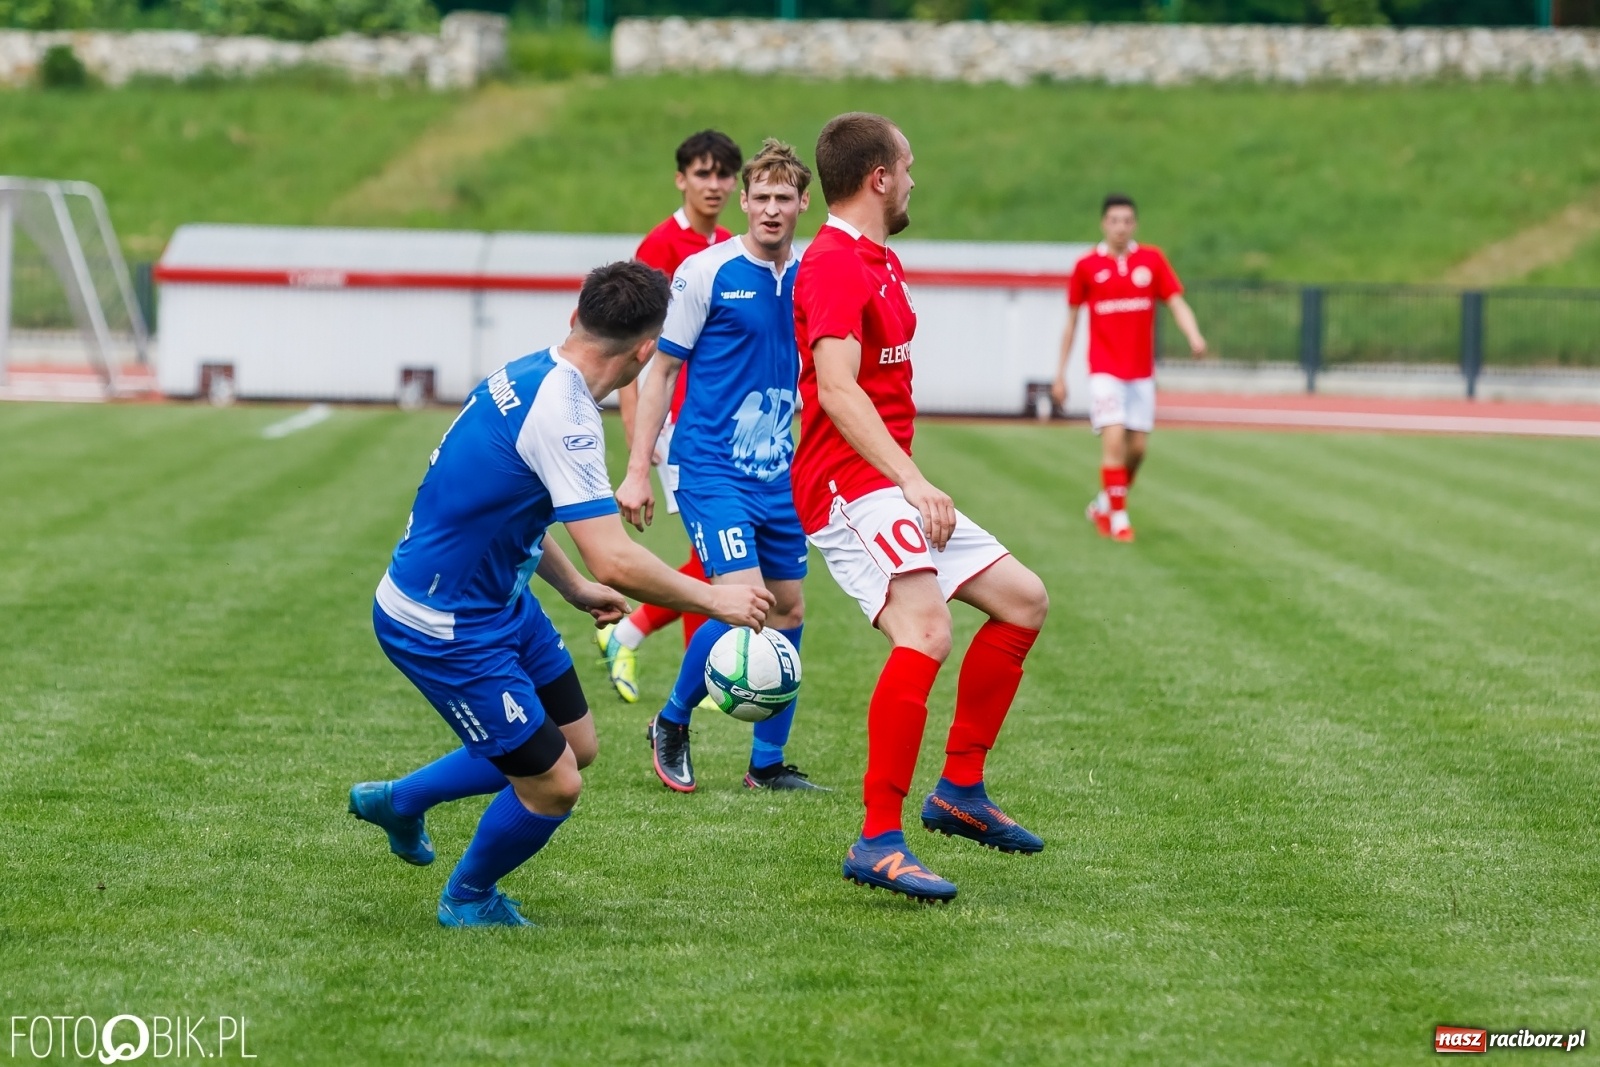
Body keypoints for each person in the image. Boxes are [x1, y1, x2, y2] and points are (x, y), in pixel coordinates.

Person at [350, 262, 775, 928]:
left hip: (498, 598)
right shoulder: (566, 413)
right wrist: (716, 599)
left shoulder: (532, 372)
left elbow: (515, 509)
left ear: (576, 318)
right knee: (553, 782)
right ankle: (468, 899)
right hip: (442, 621)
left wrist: (574, 586)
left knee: (575, 742)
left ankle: (399, 802)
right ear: (644, 351)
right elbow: (616, 556)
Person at [792, 113, 1051, 903]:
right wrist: (910, 477)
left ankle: (958, 793)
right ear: (877, 177)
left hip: (885, 481)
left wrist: (905, 478)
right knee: (927, 628)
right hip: (847, 485)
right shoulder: (835, 263)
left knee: (1023, 601)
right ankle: (877, 838)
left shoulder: (882, 262)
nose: (912, 180)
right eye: (907, 166)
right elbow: (836, 388)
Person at [616, 138, 825, 794]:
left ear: (802, 203)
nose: (770, 209)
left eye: (782, 198)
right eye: (759, 197)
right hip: (708, 466)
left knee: (788, 610)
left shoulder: (812, 277)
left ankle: (766, 764)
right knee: (743, 602)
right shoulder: (705, 272)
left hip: (779, 473)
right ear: (744, 202)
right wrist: (636, 468)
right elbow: (662, 372)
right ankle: (671, 720)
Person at [598, 130, 744, 704]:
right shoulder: (660, 247)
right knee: (713, 558)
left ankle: (635, 637)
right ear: (681, 178)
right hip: (678, 428)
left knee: (713, 555)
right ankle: (689, 673)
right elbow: (639, 353)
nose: (714, 185)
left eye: (723, 174)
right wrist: (641, 443)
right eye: (702, 174)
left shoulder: (734, 243)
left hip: (721, 424)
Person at [1050, 194, 1207, 543]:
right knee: (1115, 438)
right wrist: (1060, 374)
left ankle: (1104, 502)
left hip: (1140, 373)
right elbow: (1071, 323)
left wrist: (1194, 336)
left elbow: (1176, 302)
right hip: (1105, 370)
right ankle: (1119, 518)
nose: (1120, 227)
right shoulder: (1087, 266)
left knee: (1138, 450)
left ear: (1134, 224)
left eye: (1126, 221)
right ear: (1104, 223)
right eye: (1114, 220)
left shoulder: (1151, 261)